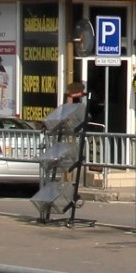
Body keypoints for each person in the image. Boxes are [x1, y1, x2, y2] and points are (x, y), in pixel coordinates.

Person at [33, 87, 90, 222]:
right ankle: (66, 192)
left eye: (69, 97)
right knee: (63, 174)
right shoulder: (65, 110)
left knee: (67, 173)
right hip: (63, 148)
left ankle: (69, 193)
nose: (68, 99)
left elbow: (80, 123)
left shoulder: (78, 110)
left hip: (71, 148)